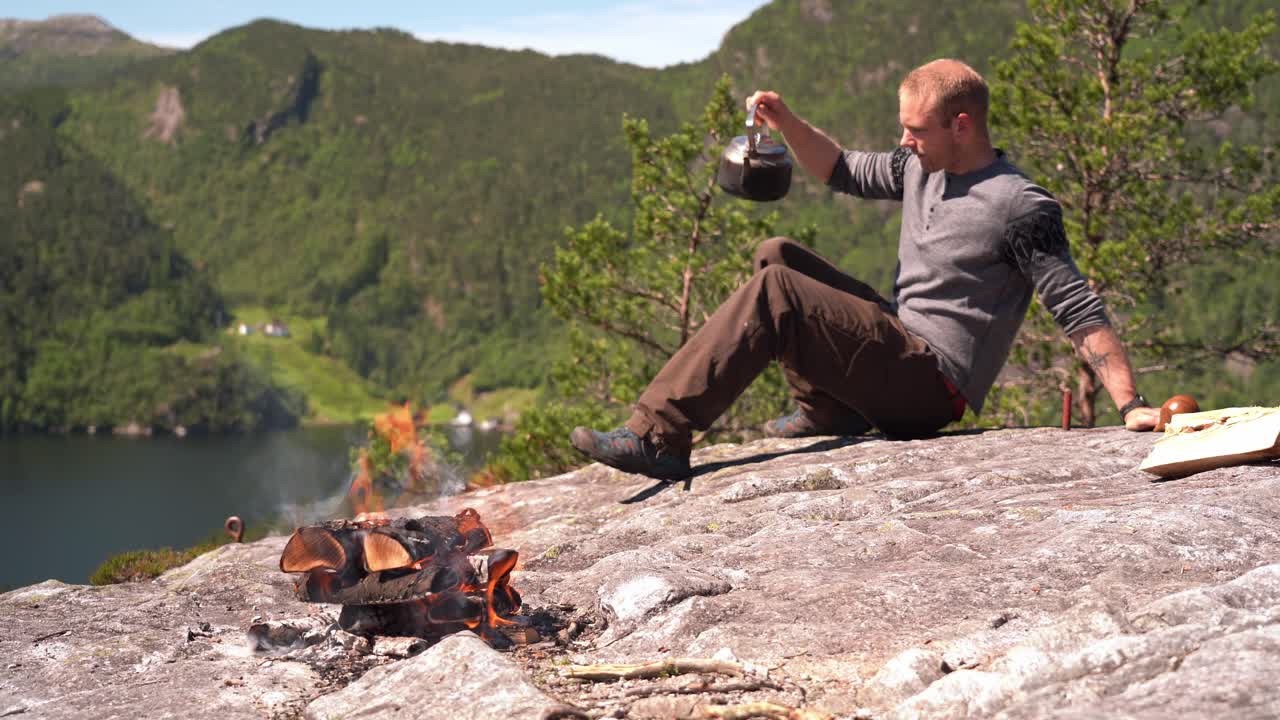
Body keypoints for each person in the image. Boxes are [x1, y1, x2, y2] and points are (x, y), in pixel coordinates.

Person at [569, 58, 1161, 481]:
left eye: (916, 129)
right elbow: (842, 169)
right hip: (899, 345)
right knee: (778, 255)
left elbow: (1076, 306)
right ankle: (829, 410)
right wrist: (787, 123)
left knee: (778, 292)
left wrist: (1131, 405)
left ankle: (658, 436)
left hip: (932, 385)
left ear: (962, 125)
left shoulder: (1019, 205)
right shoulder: (920, 166)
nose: (903, 141)